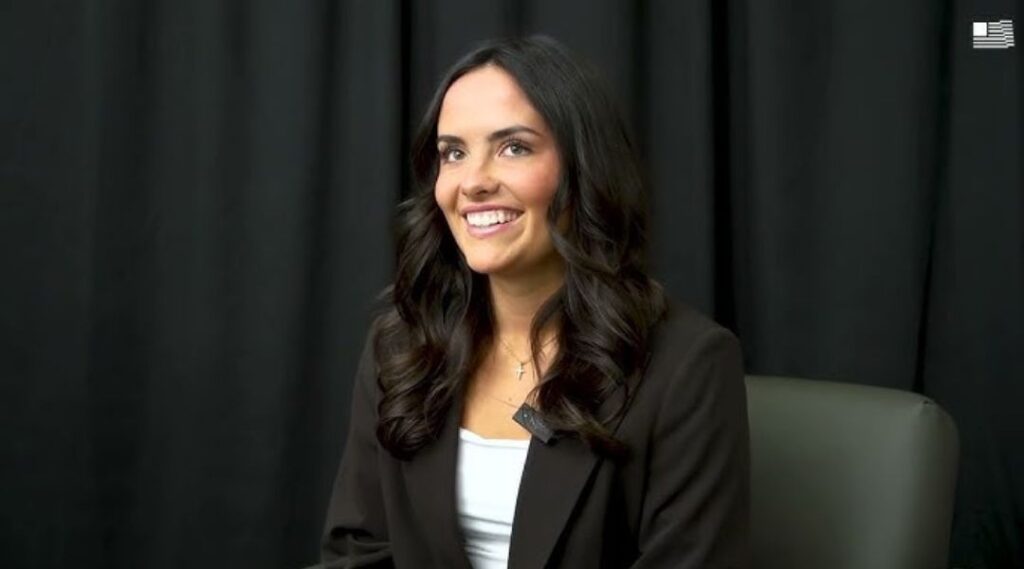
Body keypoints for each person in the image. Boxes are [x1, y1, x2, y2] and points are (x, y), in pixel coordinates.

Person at [321, 35, 749, 569]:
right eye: (454, 153)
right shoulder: (401, 345)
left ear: (583, 167)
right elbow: (357, 551)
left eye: (513, 148)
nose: (473, 182)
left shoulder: (689, 365)